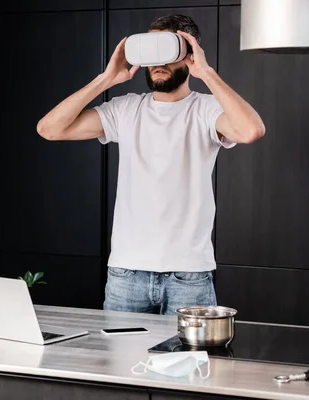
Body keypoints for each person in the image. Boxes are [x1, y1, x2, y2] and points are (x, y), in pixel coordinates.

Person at [36, 14, 265, 315]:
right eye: (151, 52)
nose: (158, 63)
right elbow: (49, 129)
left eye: (167, 50)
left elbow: (251, 130)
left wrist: (206, 72)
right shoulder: (127, 109)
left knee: (189, 363)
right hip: (126, 274)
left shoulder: (207, 110)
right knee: (120, 362)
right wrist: (106, 79)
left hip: (189, 276)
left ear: (189, 54)